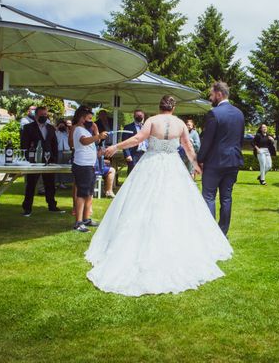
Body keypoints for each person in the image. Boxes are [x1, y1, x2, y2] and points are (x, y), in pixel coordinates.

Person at [86, 95, 233, 296]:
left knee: (140, 203)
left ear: (159, 107)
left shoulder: (152, 121)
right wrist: (196, 165)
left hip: (151, 164)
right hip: (173, 167)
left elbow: (138, 139)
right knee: (176, 205)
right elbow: (188, 147)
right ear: (173, 108)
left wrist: (116, 146)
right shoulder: (180, 123)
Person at [198, 82, 245, 235]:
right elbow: (240, 138)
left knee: (209, 196)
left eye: (211, 94)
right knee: (226, 198)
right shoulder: (239, 113)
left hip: (215, 162)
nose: (210, 98)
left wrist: (200, 159)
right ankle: (223, 233)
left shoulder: (214, 113)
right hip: (233, 161)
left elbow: (207, 141)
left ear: (219, 94)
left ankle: (212, 235)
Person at [20, 106, 63, 216]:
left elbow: (54, 144)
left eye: (45, 115)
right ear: (36, 116)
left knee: (50, 184)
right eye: (41, 115)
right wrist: (27, 159)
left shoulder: (50, 128)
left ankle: (52, 206)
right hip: (33, 160)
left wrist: (55, 159)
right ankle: (27, 208)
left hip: (48, 160)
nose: (44, 116)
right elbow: (24, 145)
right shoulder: (28, 128)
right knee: (31, 185)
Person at [71, 107, 107, 232]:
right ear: (82, 118)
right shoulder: (79, 129)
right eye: (89, 119)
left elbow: (90, 146)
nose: (92, 121)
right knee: (82, 193)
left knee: (89, 193)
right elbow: (84, 142)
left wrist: (97, 135)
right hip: (82, 166)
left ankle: (86, 218)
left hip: (89, 165)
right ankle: (78, 222)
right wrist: (98, 136)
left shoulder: (87, 131)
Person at [122, 109, 148, 175]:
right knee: (132, 173)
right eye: (137, 115)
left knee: (144, 173)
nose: (139, 116)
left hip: (145, 153)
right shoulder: (128, 127)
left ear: (143, 116)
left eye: (141, 115)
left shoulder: (147, 127)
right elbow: (125, 142)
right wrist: (127, 155)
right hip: (133, 154)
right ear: (134, 116)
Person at [55, 119, 73, 189]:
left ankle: (62, 183)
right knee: (57, 167)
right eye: (61, 124)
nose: (62, 126)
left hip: (67, 151)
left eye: (63, 125)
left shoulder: (67, 132)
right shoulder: (56, 132)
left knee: (64, 167)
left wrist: (66, 128)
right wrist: (58, 127)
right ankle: (55, 182)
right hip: (58, 151)